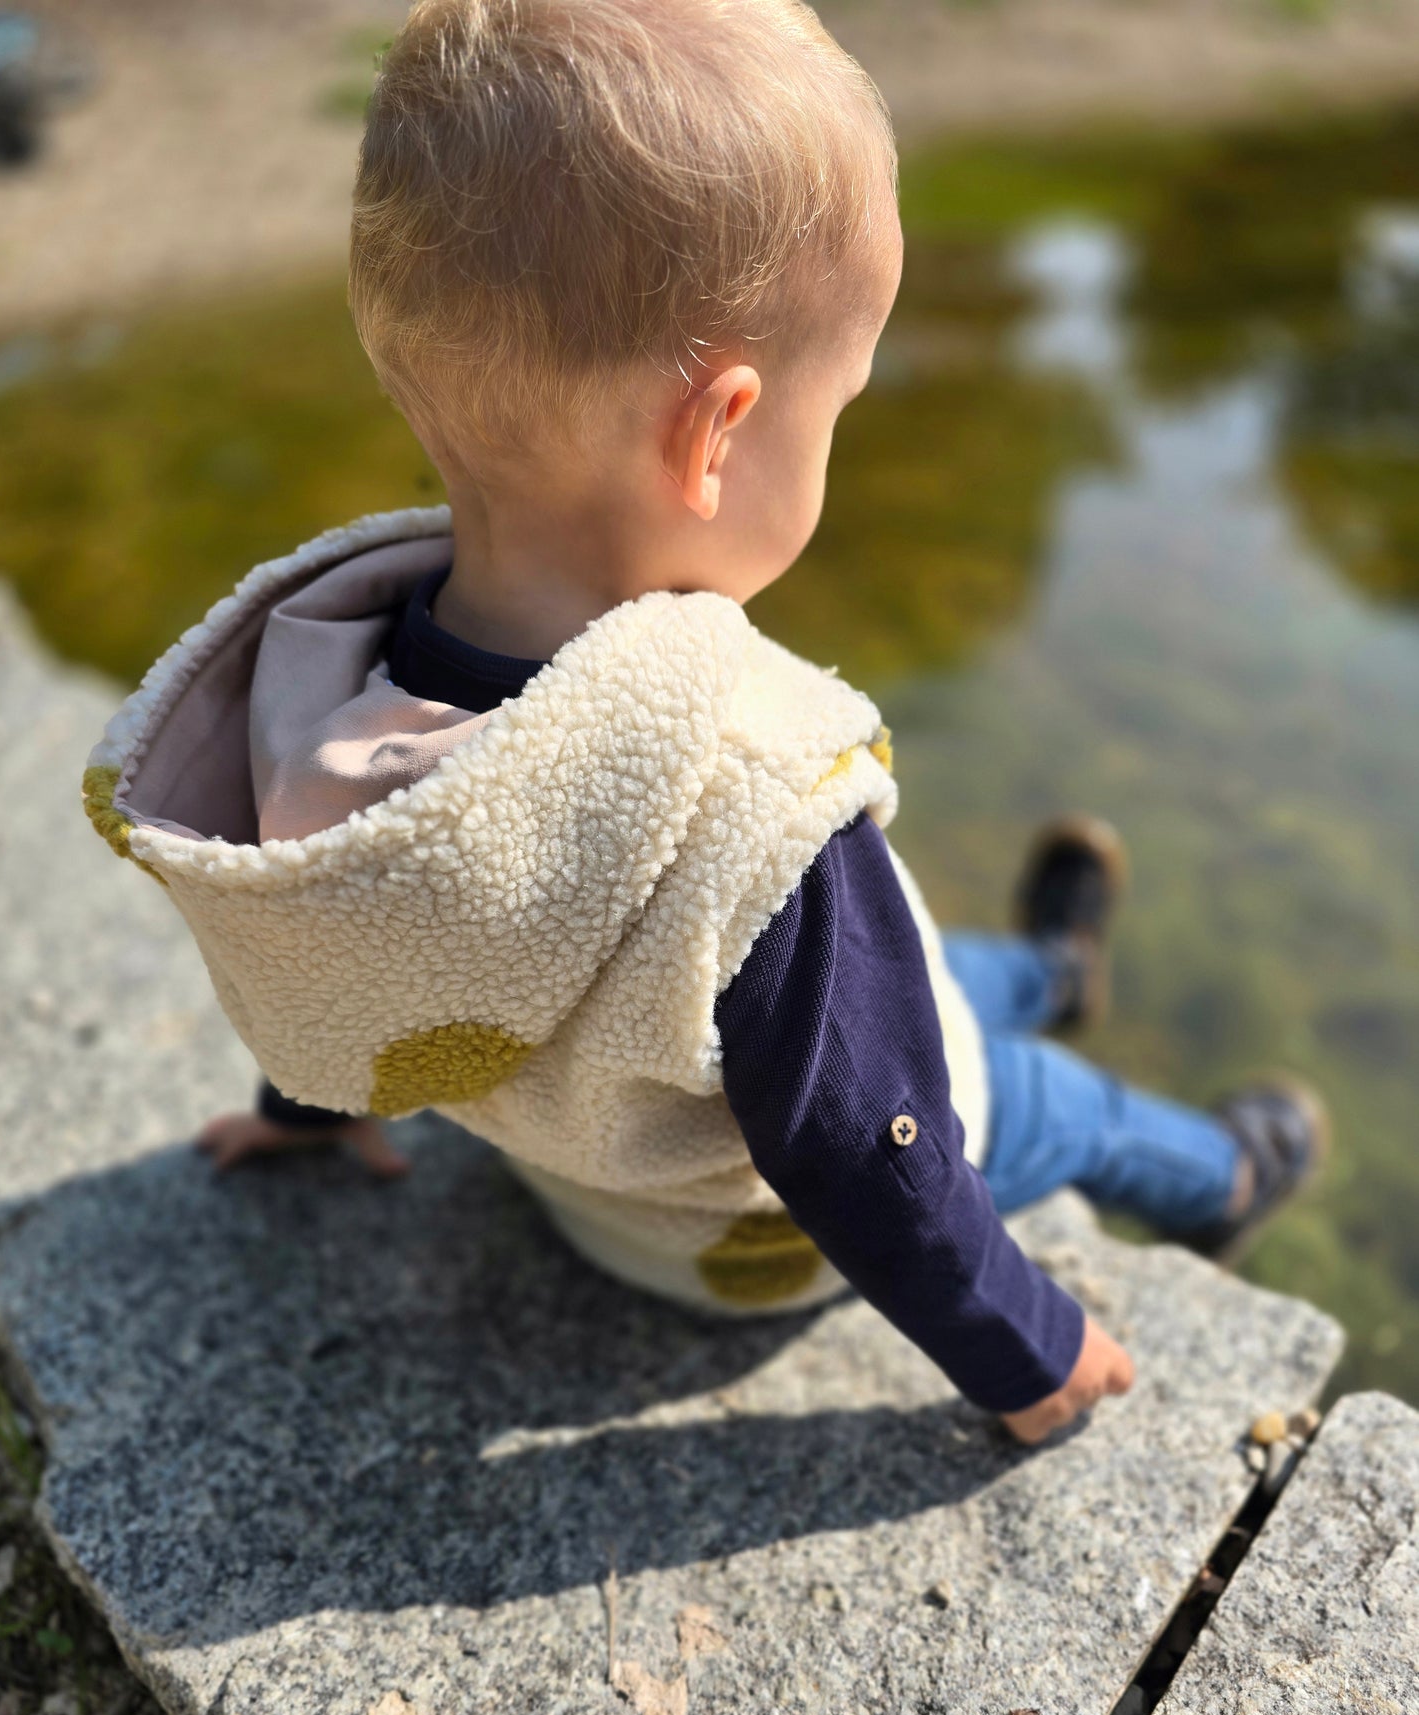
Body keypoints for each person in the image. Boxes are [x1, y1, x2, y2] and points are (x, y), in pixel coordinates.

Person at [84, 0, 1326, 1447]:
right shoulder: (743, 798)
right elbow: (872, 1142)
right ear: (718, 432)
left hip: (599, 1196)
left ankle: (1047, 965)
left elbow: (331, 943)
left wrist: (301, 1114)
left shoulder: (331, 710)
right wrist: (1027, 1348)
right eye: (838, 407)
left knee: (931, 969)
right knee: (1049, 1098)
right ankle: (1227, 1178)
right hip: (752, 1239)